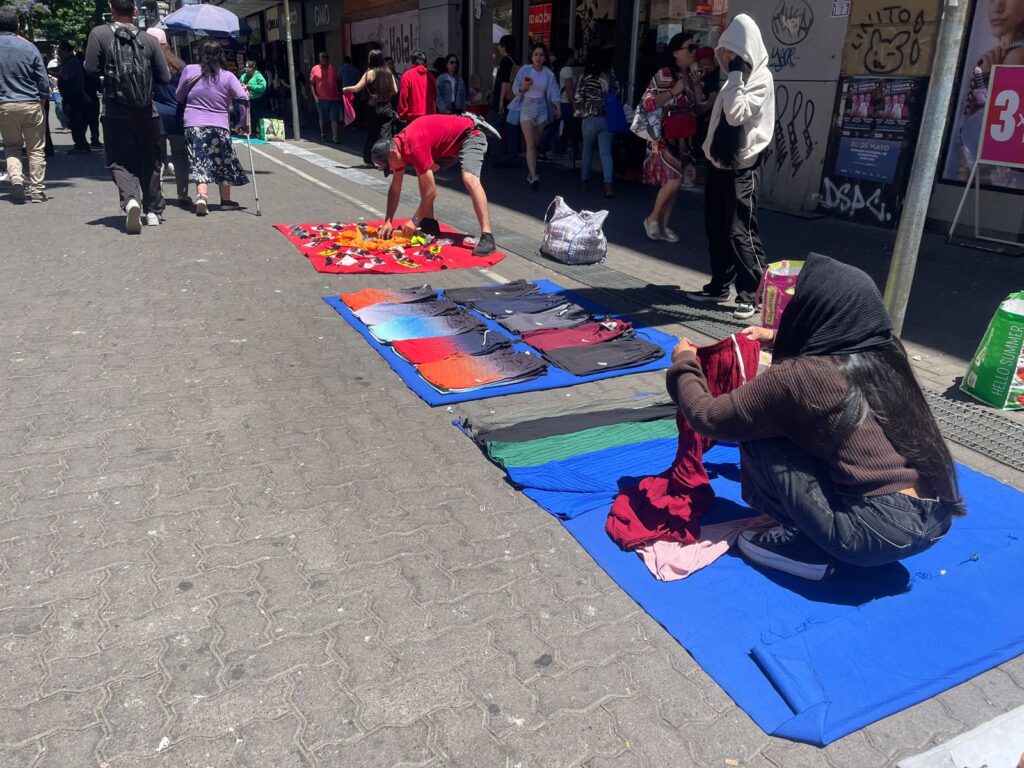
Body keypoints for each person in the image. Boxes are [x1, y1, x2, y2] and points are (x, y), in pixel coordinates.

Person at [668, 253, 964, 581]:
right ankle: (828, 531)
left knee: (760, 433)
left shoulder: (800, 377)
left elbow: (706, 416)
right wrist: (779, 338)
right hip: (936, 520)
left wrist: (684, 364)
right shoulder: (886, 353)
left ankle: (804, 546)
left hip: (872, 535)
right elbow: (839, 347)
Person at [685, 14, 774, 321]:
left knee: (740, 230)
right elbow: (717, 121)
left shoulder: (759, 78)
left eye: (733, 52)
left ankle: (754, 293)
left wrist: (736, 73)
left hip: (743, 165)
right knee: (716, 226)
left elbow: (736, 115)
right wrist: (709, 153)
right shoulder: (732, 81)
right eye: (725, 52)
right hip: (720, 162)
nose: (727, 58)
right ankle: (720, 285)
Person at [84, 0, 170, 231]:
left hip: (114, 111)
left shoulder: (99, 34)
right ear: (134, 11)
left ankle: (131, 199)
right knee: (150, 160)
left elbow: (90, 69)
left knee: (119, 161)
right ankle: (153, 211)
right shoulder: (150, 40)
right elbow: (165, 77)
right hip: (146, 112)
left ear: (111, 9)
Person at [371, 113, 497, 256]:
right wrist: (388, 220)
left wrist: (414, 221)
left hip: (471, 135)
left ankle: (487, 236)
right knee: (424, 173)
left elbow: (431, 193)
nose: (392, 170)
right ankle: (429, 223)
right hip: (447, 146)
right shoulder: (398, 151)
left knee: (469, 178)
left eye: (389, 167)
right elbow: (395, 188)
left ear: (393, 154)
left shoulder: (414, 144)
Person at [640, 33, 702, 244]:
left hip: (683, 137)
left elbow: (697, 106)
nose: (694, 52)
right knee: (674, 181)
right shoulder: (665, 74)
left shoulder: (689, 76)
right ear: (676, 52)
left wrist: (697, 85)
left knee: (674, 184)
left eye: (695, 47)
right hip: (664, 137)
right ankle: (652, 218)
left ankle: (664, 227)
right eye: (689, 48)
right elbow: (648, 103)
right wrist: (674, 92)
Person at [176, 38, 249, 217]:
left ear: (200, 54)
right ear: (220, 56)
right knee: (222, 161)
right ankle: (225, 200)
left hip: (193, 124)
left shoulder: (190, 70)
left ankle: (202, 196)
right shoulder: (228, 76)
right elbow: (243, 99)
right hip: (219, 125)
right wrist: (243, 122)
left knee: (199, 160)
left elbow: (179, 95)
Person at [0, 6, 49, 203]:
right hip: (30, 103)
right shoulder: (29, 47)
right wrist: (43, 97)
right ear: (18, 26)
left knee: (12, 146)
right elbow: (42, 79)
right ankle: (37, 190)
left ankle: (17, 178)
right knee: (35, 148)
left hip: (3, 105)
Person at [148, 27, 190, 206]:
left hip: (156, 114)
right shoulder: (180, 64)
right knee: (180, 155)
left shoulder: (149, 65)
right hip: (179, 114)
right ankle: (183, 193)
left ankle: (159, 193)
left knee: (158, 157)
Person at [510, 42, 560, 191]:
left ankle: (532, 167)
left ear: (545, 58)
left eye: (541, 55)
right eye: (536, 54)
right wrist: (523, 87)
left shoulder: (548, 74)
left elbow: (554, 93)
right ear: (531, 57)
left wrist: (558, 107)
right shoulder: (525, 70)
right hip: (527, 106)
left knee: (535, 145)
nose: (538, 57)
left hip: (542, 108)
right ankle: (533, 175)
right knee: (531, 144)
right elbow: (515, 89)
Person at [574, 49, 617, 198]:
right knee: (606, 153)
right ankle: (608, 184)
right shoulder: (610, 76)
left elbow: (578, 97)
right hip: (606, 118)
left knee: (587, 151)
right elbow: (615, 93)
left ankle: (584, 181)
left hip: (589, 118)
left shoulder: (585, 76)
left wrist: (579, 114)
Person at [344, 49, 397, 166]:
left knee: (372, 133)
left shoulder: (369, 73)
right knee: (386, 135)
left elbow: (357, 88)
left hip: (373, 106)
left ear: (371, 60)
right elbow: (395, 90)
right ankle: (386, 160)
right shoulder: (388, 72)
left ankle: (368, 158)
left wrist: (346, 89)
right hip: (387, 106)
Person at [50, 43, 90, 153]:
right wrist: (49, 69)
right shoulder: (66, 62)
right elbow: (58, 68)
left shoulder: (72, 62)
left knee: (76, 122)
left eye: (60, 52)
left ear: (66, 52)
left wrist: (50, 73)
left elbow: (65, 76)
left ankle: (81, 146)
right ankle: (80, 145)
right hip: (69, 96)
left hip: (74, 96)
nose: (59, 54)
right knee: (74, 121)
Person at [488, 34, 519, 165]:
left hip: (502, 102)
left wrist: (500, 101)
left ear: (504, 46)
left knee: (492, 127)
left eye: (500, 46)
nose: (499, 49)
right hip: (511, 101)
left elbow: (504, 82)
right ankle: (510, 155)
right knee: (508, 128)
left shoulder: (505, 61)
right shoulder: (514, 61)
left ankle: (498, 156)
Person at [397, 50, 436, 126]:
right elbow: (435, 95)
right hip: (429, 116)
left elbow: (403, 97)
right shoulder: (431, 76)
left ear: (413, 61)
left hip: (413, 118)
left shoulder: (407, 75)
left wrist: (402, 114)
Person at [309, 51, 342, 142]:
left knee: (334, 118)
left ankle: (335, 137)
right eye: (322, 57)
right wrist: (314, 96)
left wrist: (339, 93)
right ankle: (323, 134)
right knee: (322, 118)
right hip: (321, 98)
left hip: (334, 98)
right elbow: (312, 84)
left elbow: (338, 82)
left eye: (326, 57)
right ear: (319, 59)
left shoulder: (333, 69)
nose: (324, 59)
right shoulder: (315, 69)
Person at [239, 61, 267, 139]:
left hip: (257, 99)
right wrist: (242, 85)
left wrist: (249, 86)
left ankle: (260, 131)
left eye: (249, 69)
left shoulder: (258, 76)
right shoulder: (244, 76)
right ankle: (253, 131)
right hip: (248, 99)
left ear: (253, 69)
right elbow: (239, 83)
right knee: (250, 116)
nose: (247, 70)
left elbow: (263, 87)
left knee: (258, 115)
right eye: (246, 69)